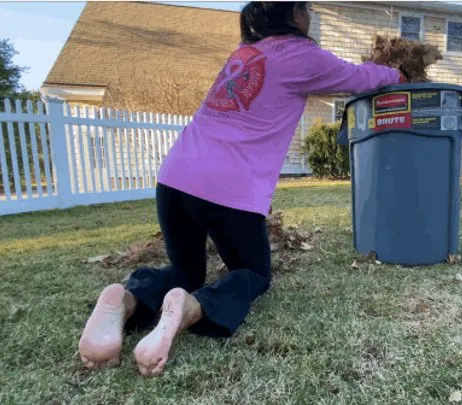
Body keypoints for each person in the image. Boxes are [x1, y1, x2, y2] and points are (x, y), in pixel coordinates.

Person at [77, 1, 406, 377]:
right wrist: (396, 75)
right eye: (308, 8)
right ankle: (189, 309)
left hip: (175, 177)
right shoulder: (302, 55)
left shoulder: (245, 52)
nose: (312, 15)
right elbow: (359, 77)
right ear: (295, 14)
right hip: (230, 189)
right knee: (253, 273)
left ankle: (129, 298)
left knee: (185, 270)